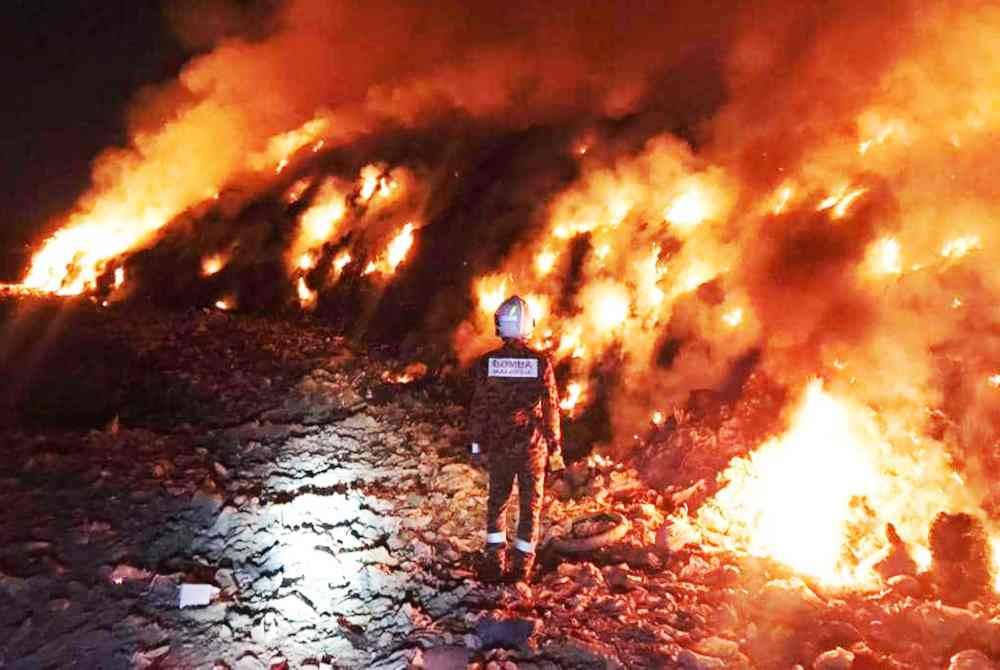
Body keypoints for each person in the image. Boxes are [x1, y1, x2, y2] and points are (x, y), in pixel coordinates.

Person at [468, 295, 565, 582]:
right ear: (527, 326)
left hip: (499, 447)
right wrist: (555, 445)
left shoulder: (488, 363)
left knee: (497, 502)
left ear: (501, 325)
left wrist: (475, 445)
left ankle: (495, 560)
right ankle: (522, 567)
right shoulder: (540, 363)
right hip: (532, 449)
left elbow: (479, 407)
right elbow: (551, 408)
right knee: (530, 506)